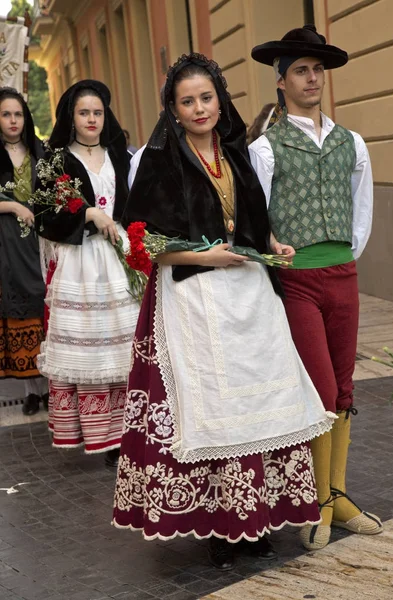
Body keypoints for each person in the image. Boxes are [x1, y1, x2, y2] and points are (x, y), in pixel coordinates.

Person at [112, 53, 336, 570]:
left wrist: (274, 244)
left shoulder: (234, 150)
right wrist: (204, 255)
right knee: (208, 411)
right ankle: (222, 527)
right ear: (172, 107)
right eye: (186, 101)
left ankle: (255, 516)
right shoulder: (159, 159)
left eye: (206, 98)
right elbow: (144, 246)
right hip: (191, 298)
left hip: (248, 295)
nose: (198, 108)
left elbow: (253, 218)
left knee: (257, 404)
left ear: (220, 99)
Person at [249, 25, 381, 550]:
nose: (312, 78)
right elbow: (258, 222)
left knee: (344, 387)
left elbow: (362, 211)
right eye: (301, 70)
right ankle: (317, 502)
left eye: (317, 69)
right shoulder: (266, 148)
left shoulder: (353, 142)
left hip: (341, 273)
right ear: (281, 81)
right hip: (297, 280)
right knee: (320, 389)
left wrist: (343, 257)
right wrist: (283, 265)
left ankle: (338, 496)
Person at [35, 80, 140, 467]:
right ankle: (103, 437)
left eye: (97, 112)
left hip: (121, 257)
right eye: (84, 113)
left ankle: (133, 432)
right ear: (71, 118)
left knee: (127, 343)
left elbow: (136, 202)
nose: (92, 119)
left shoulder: (121, 154)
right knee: (92, 347)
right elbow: (46, 217)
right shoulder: (57, 161)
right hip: (81, 263)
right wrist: (88, 215)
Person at [0, 87, 48, 416]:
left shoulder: (40, 152)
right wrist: (13, 208)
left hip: (41, 243)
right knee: (22, 309)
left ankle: (52, 388)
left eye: (18, 114)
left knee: (47, 308)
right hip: (8, 243)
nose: (13, 120)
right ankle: (32, 391)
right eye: (6, 114)